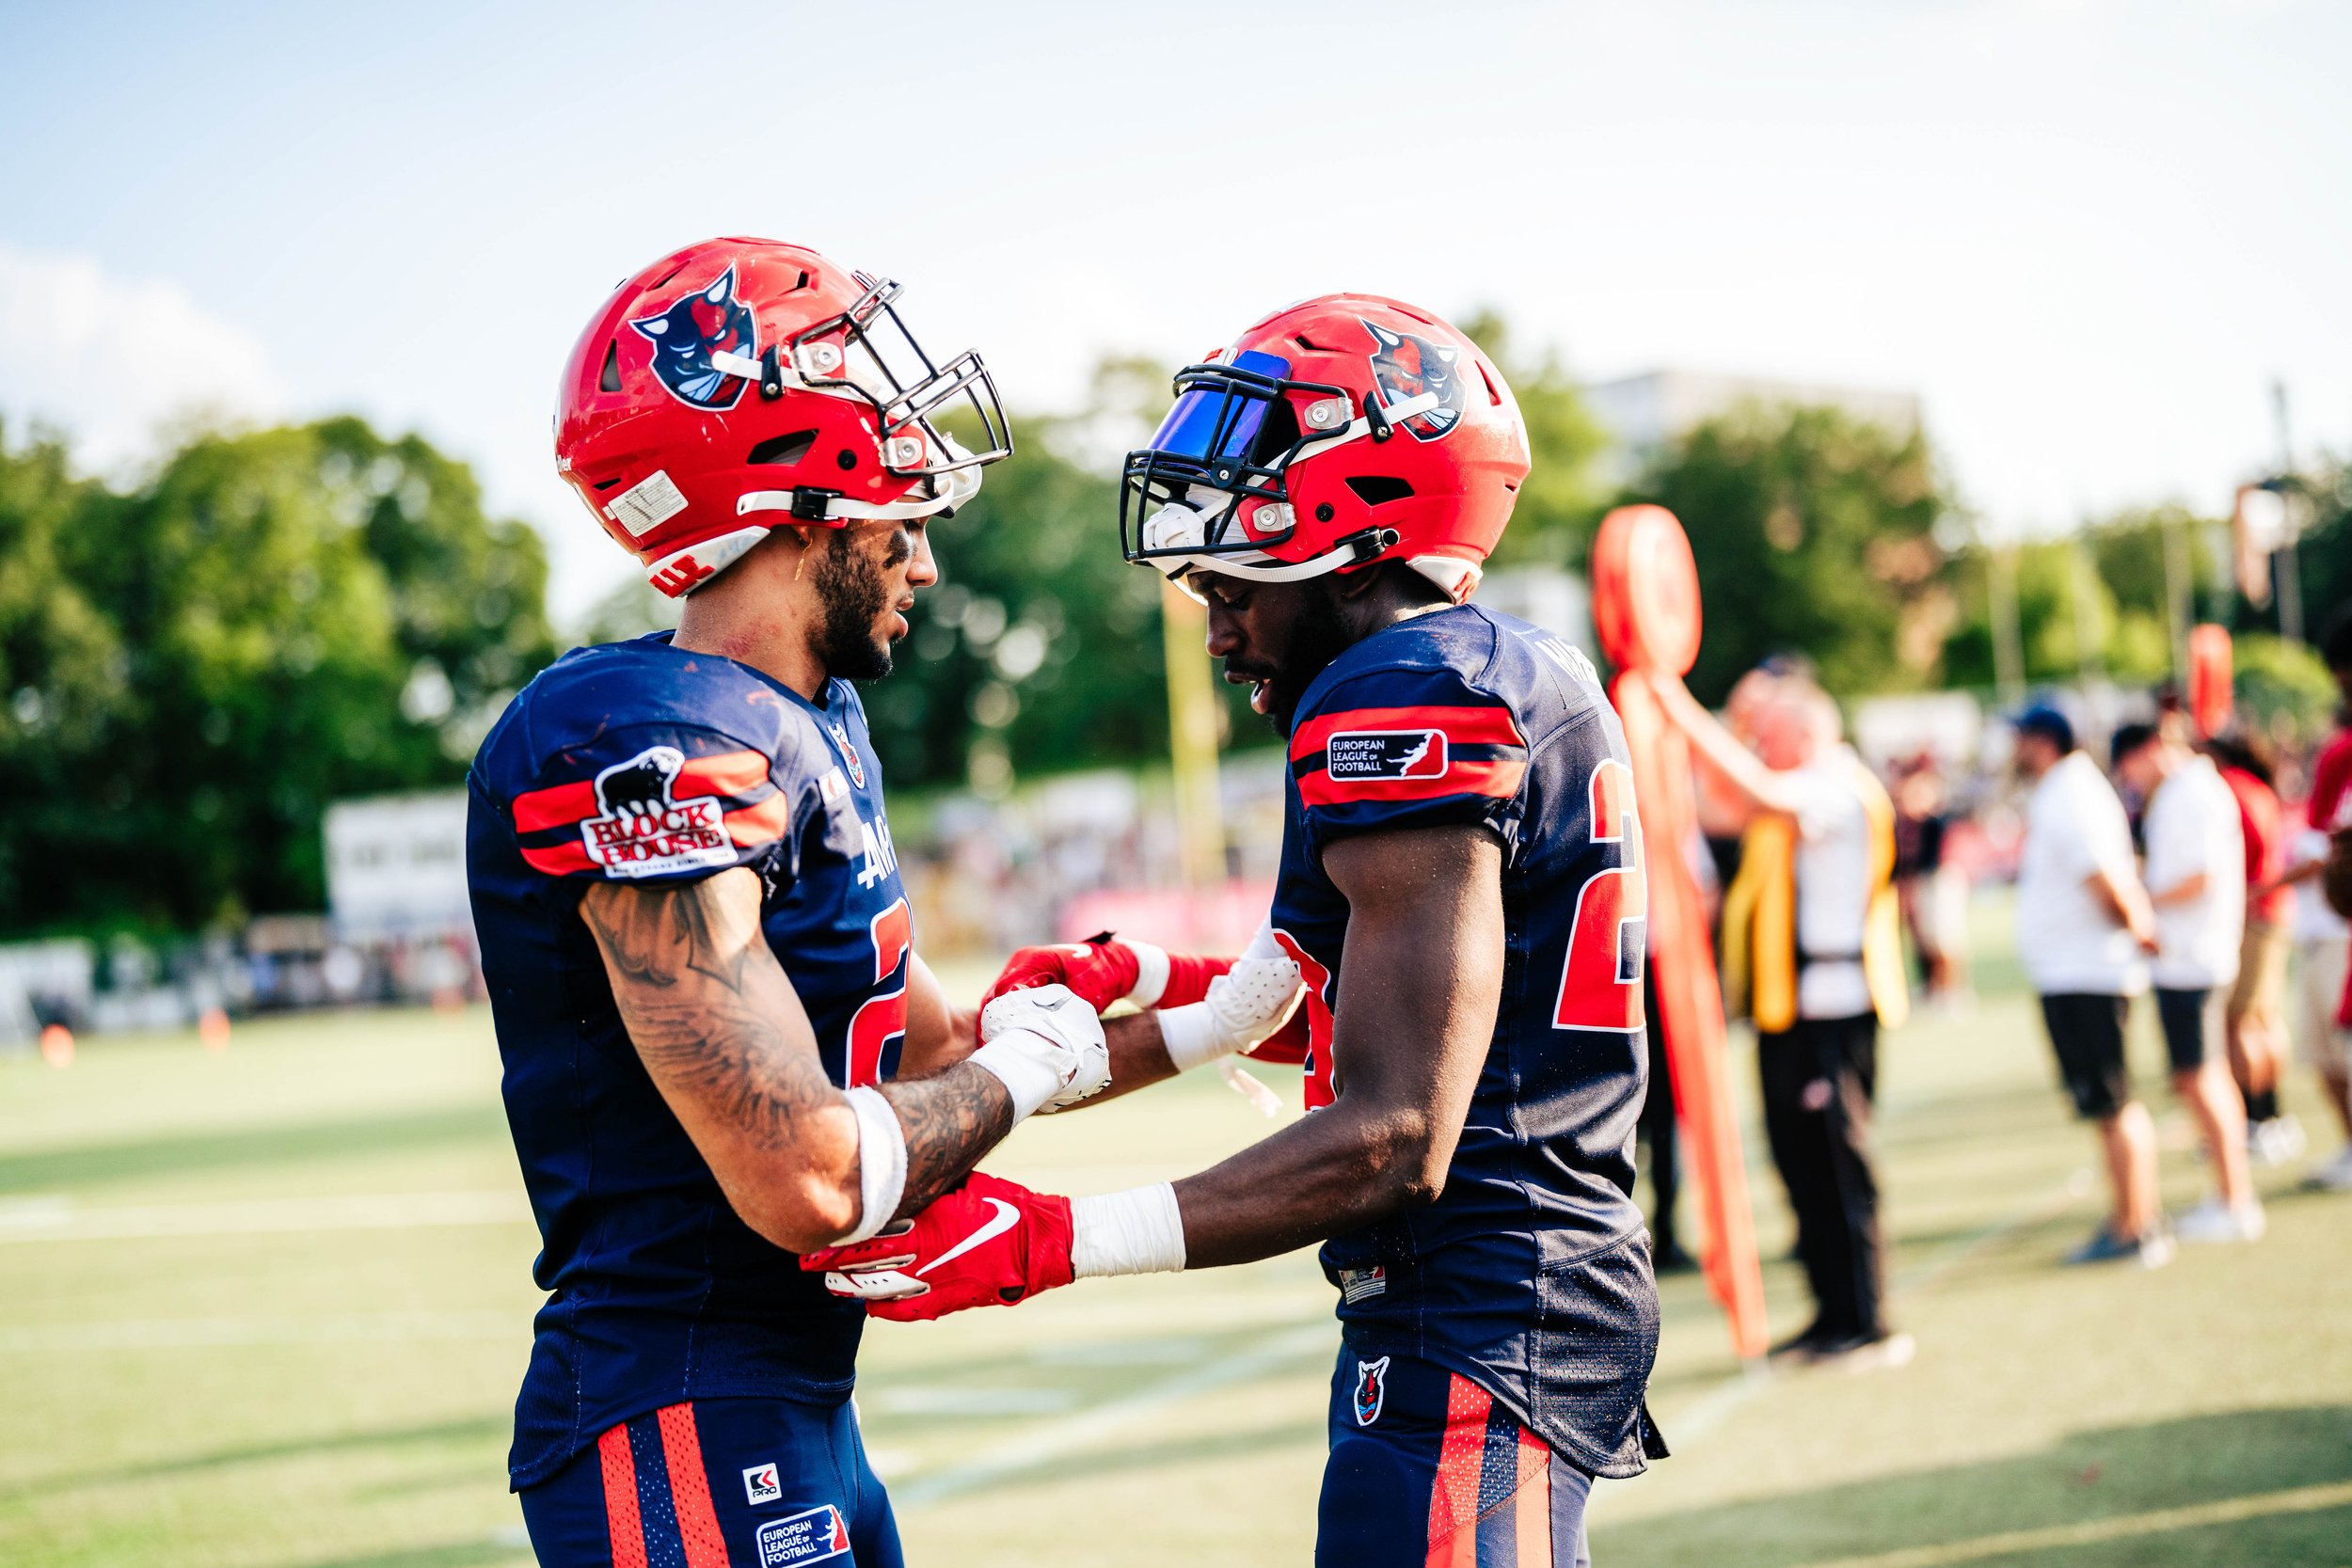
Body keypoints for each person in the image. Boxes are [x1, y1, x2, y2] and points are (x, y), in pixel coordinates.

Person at [810, 294, 1665, 1567]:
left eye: (1232, 589)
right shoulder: (1445, 670)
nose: (1216, 632)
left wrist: (1055, 1237)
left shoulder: (1408, 694)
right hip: (1475, 1305)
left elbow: (1397, 1134)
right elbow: (1279, 991)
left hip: (1489, 1306)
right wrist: (1095, 1010)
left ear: (1351, 529)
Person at [465, 238, 1115, 1567]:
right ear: (805, 491)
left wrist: (1222, 1001)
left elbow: (937, 1053)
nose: (923, 556)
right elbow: (808, 1177)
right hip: (678, 1408)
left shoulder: (808, 724)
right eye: (904, 512)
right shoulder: (648, 740)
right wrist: (1035, 1072)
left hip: (787, 1399)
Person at [1645, 670, 1912, 1369]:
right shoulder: (1799, 787)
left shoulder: (1834, 784)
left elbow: (1756, 794)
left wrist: (1680, 712)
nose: (1760, 744)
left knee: (1839, 1165)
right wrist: (1720, 733)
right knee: (1801, 1165)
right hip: (1786, 1010)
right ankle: (1831, 1312)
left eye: (1770, 733)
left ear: (1806, 731)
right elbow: (1716, 808)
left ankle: (1868, 1316)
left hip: (1832, 1008)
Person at [2010, 705, 2172, 1266]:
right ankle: (2130, 1216)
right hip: (2076, 970)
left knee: (2114, 1103)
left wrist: (2138, 927)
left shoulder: (2069, 791)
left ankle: (2138, 1224)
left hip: (2086, 971)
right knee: (2107, 1106)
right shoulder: (2068, 787)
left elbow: (2102, 873)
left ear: (2042, 741)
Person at [2109, 721, 2264, 1243]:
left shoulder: (2190, 792)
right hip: (2192, 953)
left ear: (2149, 751)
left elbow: (2200, 876)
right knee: (2201, 1075)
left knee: (2200, 1077)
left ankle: (2234, 1198)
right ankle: (2231, 1194)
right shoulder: (2188, 789)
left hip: (2192, 955)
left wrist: (2138, 900)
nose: (2129, 778)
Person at [2266, 611, 2352, 1188]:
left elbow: (2331, 844)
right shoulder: (2338, 752)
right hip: (2324, 924)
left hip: (2339, 930)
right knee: (2327, 1058)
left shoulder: (2340, 753)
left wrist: (2271, 885)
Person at [2206, 733, 2300, 1164]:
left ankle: (2257, 1118)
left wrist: (2238, 897)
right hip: (2271, 911)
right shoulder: (2254, 786)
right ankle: (2271, 1115)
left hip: (2255, 913)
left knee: (2240, 1022)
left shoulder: (2232, 788)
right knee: (2261, 1019)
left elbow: (2251, 856)